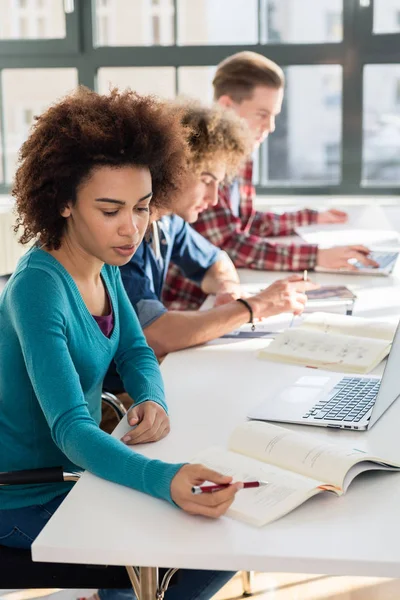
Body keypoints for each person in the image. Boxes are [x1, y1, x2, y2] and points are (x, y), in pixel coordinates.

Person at [0, 87, 240, 600]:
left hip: (78, 477)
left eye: (142, 208)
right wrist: (165, 478)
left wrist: (152, 397)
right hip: (27, 495)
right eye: (110, 210)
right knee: (196, 556)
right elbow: (71, 430)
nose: (131, 230)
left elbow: (134, 352)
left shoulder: (104, 265)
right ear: (63, 202)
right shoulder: (38, 288)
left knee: (218, 539)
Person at [103, 101, 315, 404]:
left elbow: (218, 261)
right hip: (113, 399)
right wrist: (251, 307)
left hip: (140, 380)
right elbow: (157, 335)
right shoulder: (124, 240)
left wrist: (228, 292)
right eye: (206, 181)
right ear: (174, 168)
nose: (215, 199)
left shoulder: (168, 223)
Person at [163, 51, 378, 310]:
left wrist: (311, 217)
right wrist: (316, 255)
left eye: (274, 115)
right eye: (262, 114)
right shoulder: (202, 162)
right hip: (188, 306)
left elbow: (248, 222)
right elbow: (230, 243)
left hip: (217, 299)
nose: (271, 126)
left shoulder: (243, 157)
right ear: (227, 106)